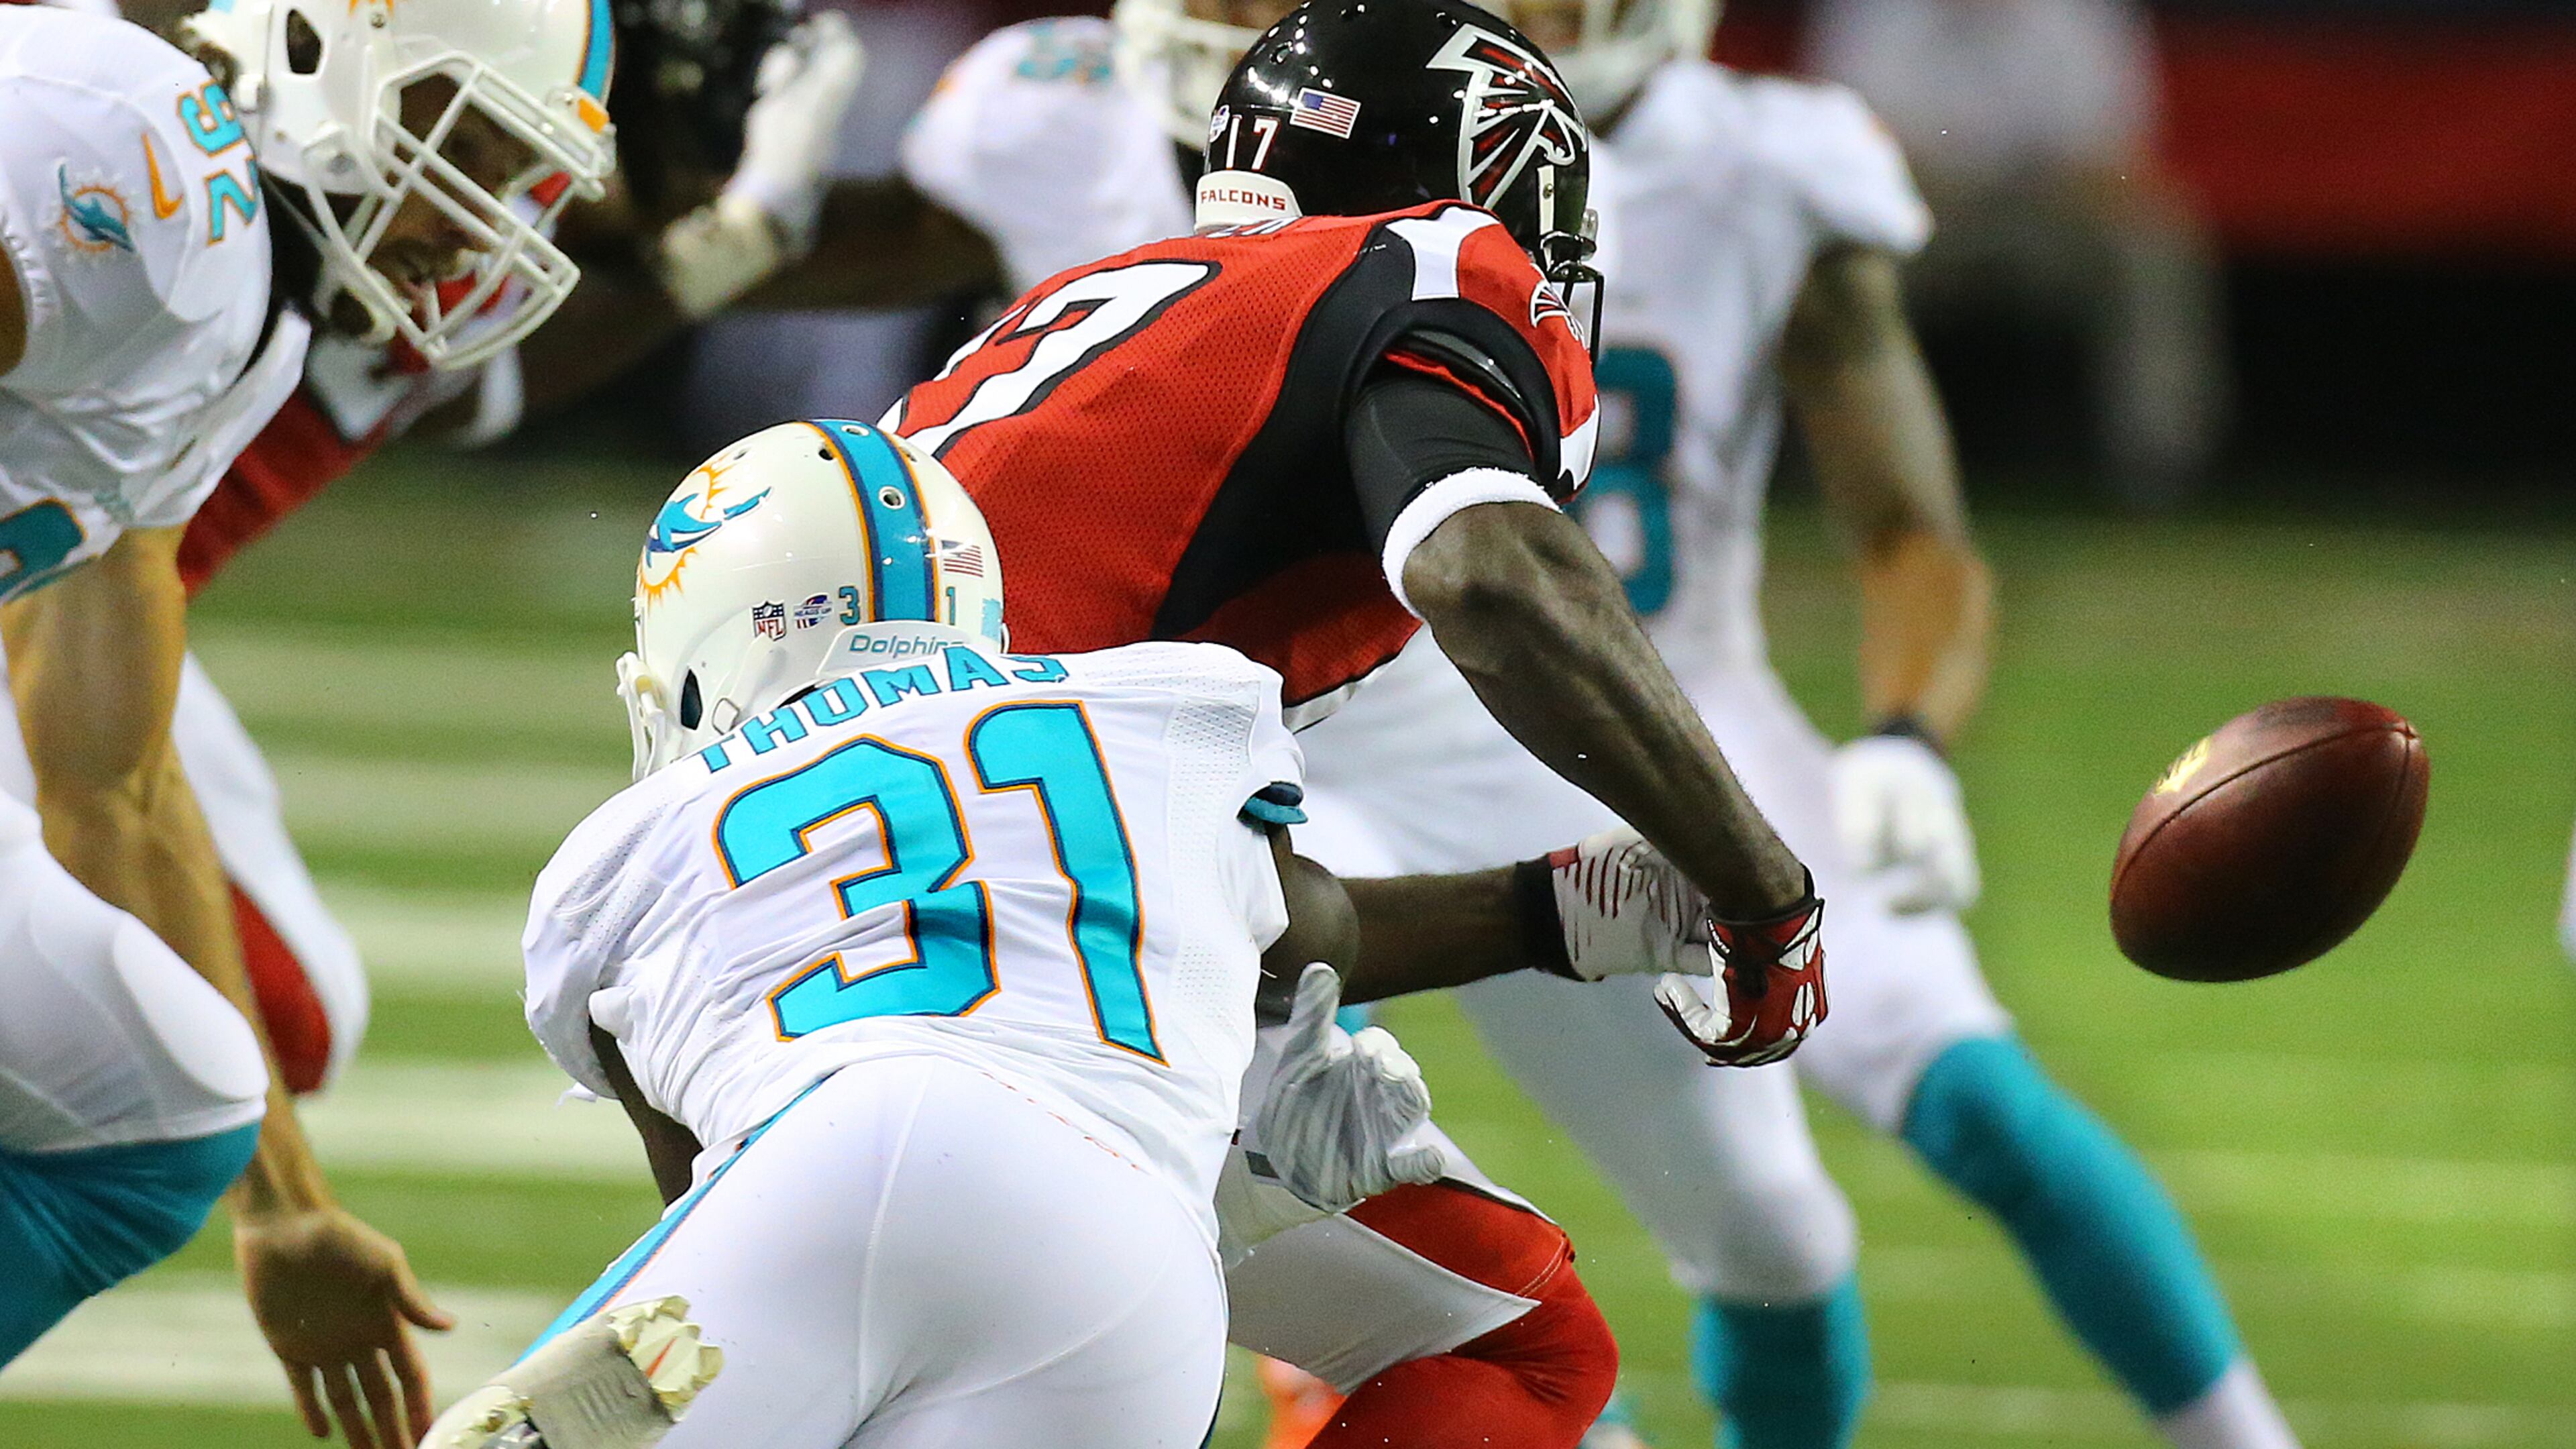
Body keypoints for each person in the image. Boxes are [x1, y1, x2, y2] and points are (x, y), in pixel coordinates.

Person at [1234, 2, 2285, 1446]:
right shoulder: (1373, 126)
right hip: (1394, 723)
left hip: (1690, 730)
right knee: (1260, 1026)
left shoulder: (1773, 164)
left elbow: (1913, 526)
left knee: (1826, 1211)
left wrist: (1908, 737)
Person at [883, 5, 1846, 1446]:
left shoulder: (1117, 328)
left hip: (822, 896)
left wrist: (1554, 912)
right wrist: (1767, 891)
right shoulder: (1424, 268)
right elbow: (1493, 577)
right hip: (1014, 956)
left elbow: (1237, 919)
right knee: (1509, 1355)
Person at [426, 419, 1723, 1449]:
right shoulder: (1160, 712)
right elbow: (1310, 927)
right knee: (1544, 1355)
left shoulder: (634, 846)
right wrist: (1553, 911)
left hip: (844, 1163)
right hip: (1141, 1275)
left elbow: (711, 1189)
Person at [0, 1, 616, 1443]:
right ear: (324, 50)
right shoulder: (137, 163)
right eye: (471, 147)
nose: (478, 233)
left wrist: (287, 1207)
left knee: (177, 1098)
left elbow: (115, 786)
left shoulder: (238, 314)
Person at [1806, 0, 2226, 508]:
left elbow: (2111, 158)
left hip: (2046, 217)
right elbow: (1843, 146)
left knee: (2151, 238)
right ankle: (1841, 467)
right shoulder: (1876, 12)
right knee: (1840, 251)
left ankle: (2160, 470)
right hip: (1920, 215)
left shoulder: (2080, 14)